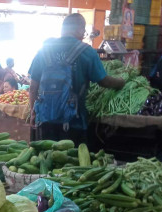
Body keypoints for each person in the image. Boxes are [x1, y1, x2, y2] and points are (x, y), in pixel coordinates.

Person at [28, 13, 124, 143]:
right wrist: (121, 82)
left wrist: (33, 112)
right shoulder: (87, 52)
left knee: (47, 158)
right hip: (74, 122)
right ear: (80, 29)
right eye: (83, 31)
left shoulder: (44, 51)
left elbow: (33, 87)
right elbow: (104, 81)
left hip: (45, 120)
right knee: (72, 161)